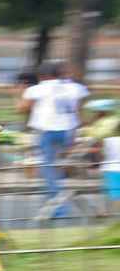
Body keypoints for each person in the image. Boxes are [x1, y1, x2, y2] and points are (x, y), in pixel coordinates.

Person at [19, 61, 89, 215]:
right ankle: (64, 196)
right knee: (59, 167)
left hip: (47, 130)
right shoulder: (74, 87)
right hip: (69, 131)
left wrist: (20, 92)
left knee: (47, 167)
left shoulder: (37, 89)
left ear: (43, 76)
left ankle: (58, 206)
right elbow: (78, 109)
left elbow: (22, 108)